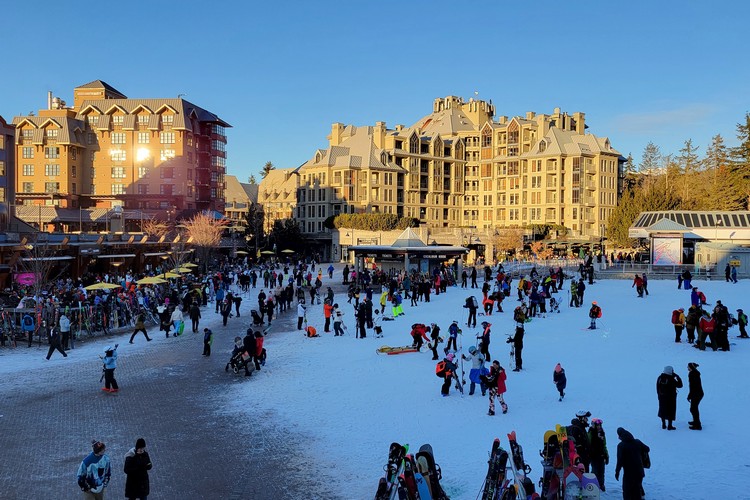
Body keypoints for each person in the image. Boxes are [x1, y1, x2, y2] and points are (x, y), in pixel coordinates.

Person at [614, 427, 649, 500]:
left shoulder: (621, 446)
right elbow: (647, 449)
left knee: (627, 492)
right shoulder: (637, 442)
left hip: (629, 474)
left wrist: (617, 472)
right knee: (637, 491)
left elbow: (619, 461)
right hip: (639, 472)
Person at [656, 365, 683, 429]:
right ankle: (669, 426)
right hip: (671, 398)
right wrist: (677, 377)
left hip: (662, 397)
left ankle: (663, 424)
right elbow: (680, 385)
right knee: (671, 411)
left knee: (662, 410)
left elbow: (657, 387)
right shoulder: (671, 379)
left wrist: (659, 396)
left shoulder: (660, 378)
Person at [588, 418, 609, 492]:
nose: (599, 426)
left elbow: (604, 445)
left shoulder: (602, 433)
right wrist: (589, 455)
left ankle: (601, 484)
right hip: (594, 456)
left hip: (601, 455)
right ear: (594, 425)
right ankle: (593, 485)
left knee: (601, 471)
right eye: (597, 425)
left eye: (600, 425)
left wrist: (606, 455)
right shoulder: (591, 433)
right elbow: (588, 444)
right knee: (595, 471)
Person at [687, 362, 704, 430]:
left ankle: (697, 425)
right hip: (698, 393)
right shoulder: (695, 373)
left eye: (688, 367)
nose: (687, 368)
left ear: (691, 367)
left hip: (697, 394)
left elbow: (693, 386)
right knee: (693, 408)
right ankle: (696, 422)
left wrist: (690, 395)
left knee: (693, 409)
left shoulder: (692, 374)